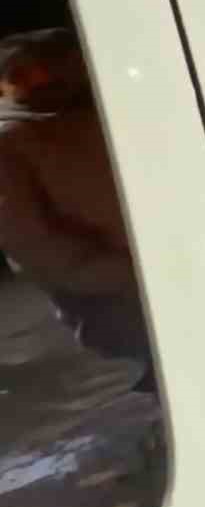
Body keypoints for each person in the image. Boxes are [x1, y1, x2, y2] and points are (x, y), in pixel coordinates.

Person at [0, 28, 155, 392]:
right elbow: (32, 246)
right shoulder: (11, 142)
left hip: (174, 275)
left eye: (52, 66)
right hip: (117, 302)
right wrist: (131, 274)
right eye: (21, 74)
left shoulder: (113, 111)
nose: (42, 80)